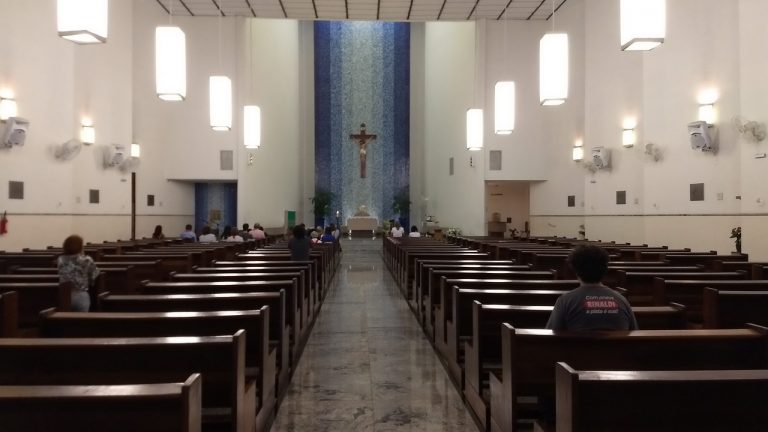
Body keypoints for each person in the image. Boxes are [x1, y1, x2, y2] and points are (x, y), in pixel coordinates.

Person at [546, 245, 638, 331]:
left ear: (575, 270)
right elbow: (634, 332)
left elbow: (551, 335)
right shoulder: (621, 300)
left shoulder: (565, 301)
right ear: (605, 269)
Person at [58, 235, 100, 312]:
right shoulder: (87, 260)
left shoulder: (60, 259)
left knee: (66, 319)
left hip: (64, 296)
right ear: (80, 247)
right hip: (81, 295)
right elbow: (94, 275)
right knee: (82, 319)